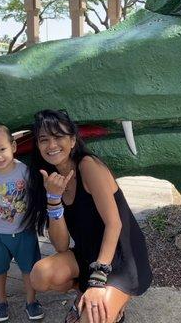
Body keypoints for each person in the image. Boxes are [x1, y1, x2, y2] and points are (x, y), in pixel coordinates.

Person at [25, 110, 152, 323]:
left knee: (89, 321)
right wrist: (54, 198)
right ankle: (86, 293)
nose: (51, 145)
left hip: (121, 260)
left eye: (58, 137)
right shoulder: (50, 179)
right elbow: (62, 246)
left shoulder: (88, 166)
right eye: (44, 140)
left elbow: (114, 224)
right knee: (39, 276)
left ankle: (115, 299)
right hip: (86, 255)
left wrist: (98, 280)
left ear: (73, 140)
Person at [0, 124, 45, 321]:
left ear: (13, 146)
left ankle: (31, 301)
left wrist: (36, 220)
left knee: (29, 269)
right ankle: (0, 301)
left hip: (24, 231)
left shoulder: (25, 172)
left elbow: (35, 197)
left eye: (2, 149)